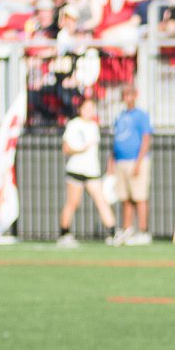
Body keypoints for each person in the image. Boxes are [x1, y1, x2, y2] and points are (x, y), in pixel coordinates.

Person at [58, 96, 118, 248]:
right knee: (72, 203)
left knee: (101, 200)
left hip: (92, 171)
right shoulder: (73, 125)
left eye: (92, 108)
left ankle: (112, 232)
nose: (89, 111)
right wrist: (80, 149)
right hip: (76, 170)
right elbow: (66, 148)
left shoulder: (94, 126)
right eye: (87, 108)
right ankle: (64, 233)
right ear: (80, 109)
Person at [109, 83, 154, 244]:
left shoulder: (141, 115)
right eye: (124, 94)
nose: (126, 97)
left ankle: (143, 230)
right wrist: (111, 163)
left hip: (135, 161)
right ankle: (127, 229)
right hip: (121, 161)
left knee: (139, 196)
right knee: (125, 197)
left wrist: (138, 162)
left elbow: (146, 139)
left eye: (129, 94)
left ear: (135, 95)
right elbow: (116, 140)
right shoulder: (120, 116)